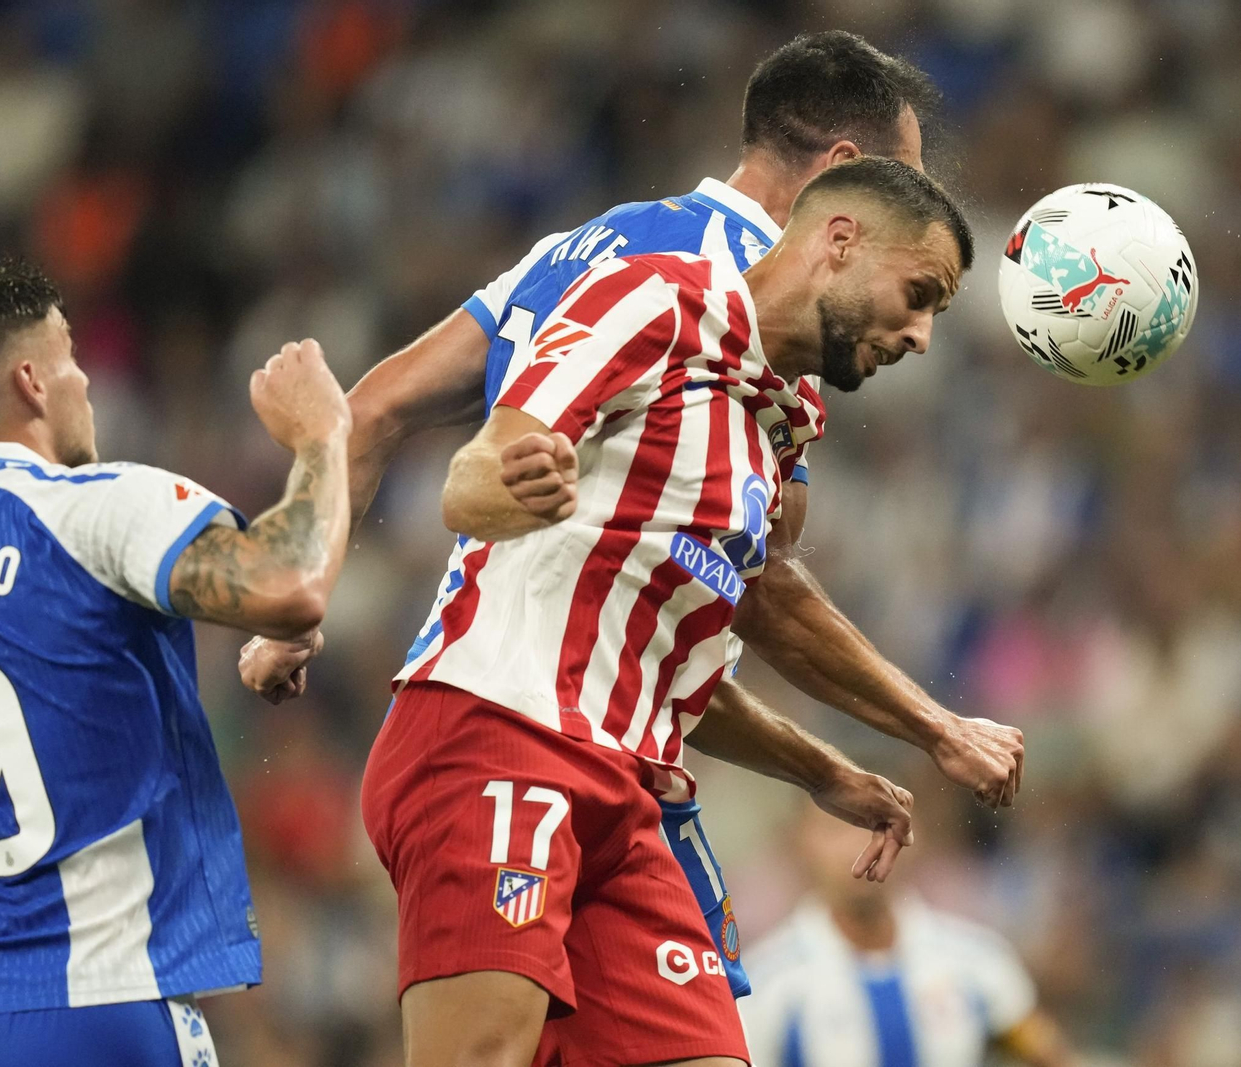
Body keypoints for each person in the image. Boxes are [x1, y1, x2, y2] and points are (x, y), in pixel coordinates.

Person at [242, 29, 1023, 1004]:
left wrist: (295, 601)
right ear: (846, 186)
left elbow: (375, 408)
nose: (922, 215)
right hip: (521, 721)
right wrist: (931, 722)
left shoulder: (594, 239)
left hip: (619, 728)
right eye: (908, 189)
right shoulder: (722, 293)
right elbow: (755, 580)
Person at [361, 156, 976, 1067]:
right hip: (495, 733)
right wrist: (523, 482)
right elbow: (471, 481)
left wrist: (821, 769)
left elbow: (669, 664)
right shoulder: (653, 299)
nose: (922, 334)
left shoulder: (781, 420)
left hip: (626, 791)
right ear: (840, 241)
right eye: (919, 293)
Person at [0, 260, 353, 1067]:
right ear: (32, 380)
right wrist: (322, 435)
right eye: (72, 356)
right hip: (111, 1007)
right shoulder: (93, 507)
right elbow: (291, 581)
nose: (87, 380)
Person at [740, 813, 1075, 1067]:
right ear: (801, 844)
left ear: (912, 836)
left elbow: (1048, 1053)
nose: (856, 849)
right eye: (835, 829)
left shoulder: (976, 959)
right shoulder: (764, 982)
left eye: (876, 828)